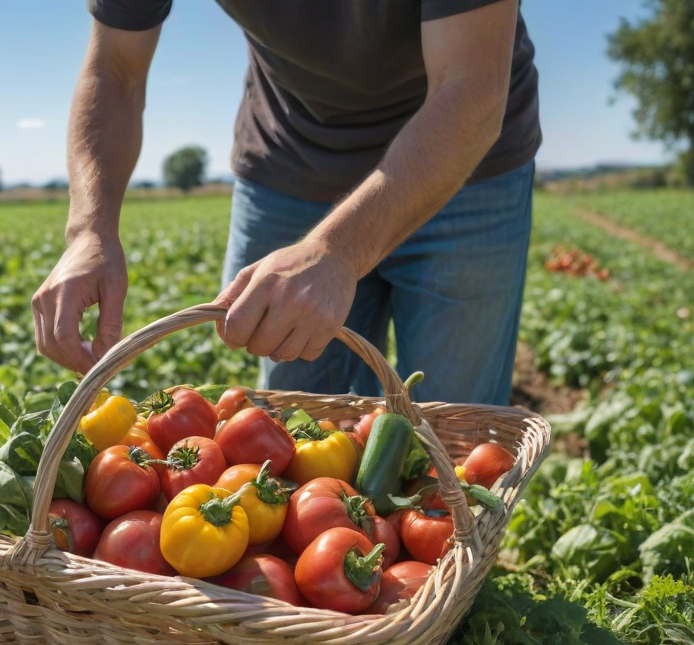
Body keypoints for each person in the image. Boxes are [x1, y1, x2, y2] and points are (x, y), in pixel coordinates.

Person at [32, 0, 539, 406]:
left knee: (457, 435)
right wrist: (89, 230)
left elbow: (469, 85)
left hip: (463, 166)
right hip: (290, 164)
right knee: (296, 426)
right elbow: (116, 67)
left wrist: (337, 251)